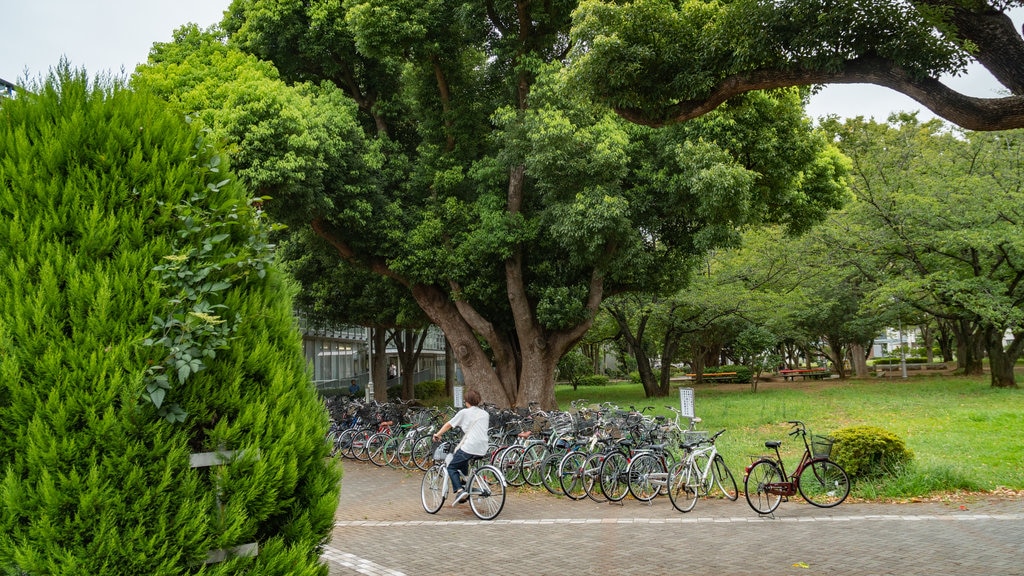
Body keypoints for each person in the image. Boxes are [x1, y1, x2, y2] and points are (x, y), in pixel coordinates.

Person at [432, 389, 489, 506]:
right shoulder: (485, 414)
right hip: (483, 447)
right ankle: (464, 484)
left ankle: (460, 490)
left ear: (466, 401)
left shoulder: (464, 413)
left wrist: (438, 434)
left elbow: (449, 424)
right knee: (462, 459)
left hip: (470, 446)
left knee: (452, 467)